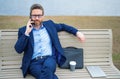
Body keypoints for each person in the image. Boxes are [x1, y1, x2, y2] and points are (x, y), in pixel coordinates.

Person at [14, 3, 85, 79]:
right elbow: (18, 49)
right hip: (34, 63)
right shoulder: (23, 30)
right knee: (47, 75)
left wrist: (77, 32)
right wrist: (27, 32)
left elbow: (63, 26)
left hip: (49, 59)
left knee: (47, 68)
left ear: (43, 16)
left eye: (39, 15)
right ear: (30, 16)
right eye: (34, 15)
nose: (37, 18)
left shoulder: (50, 25)